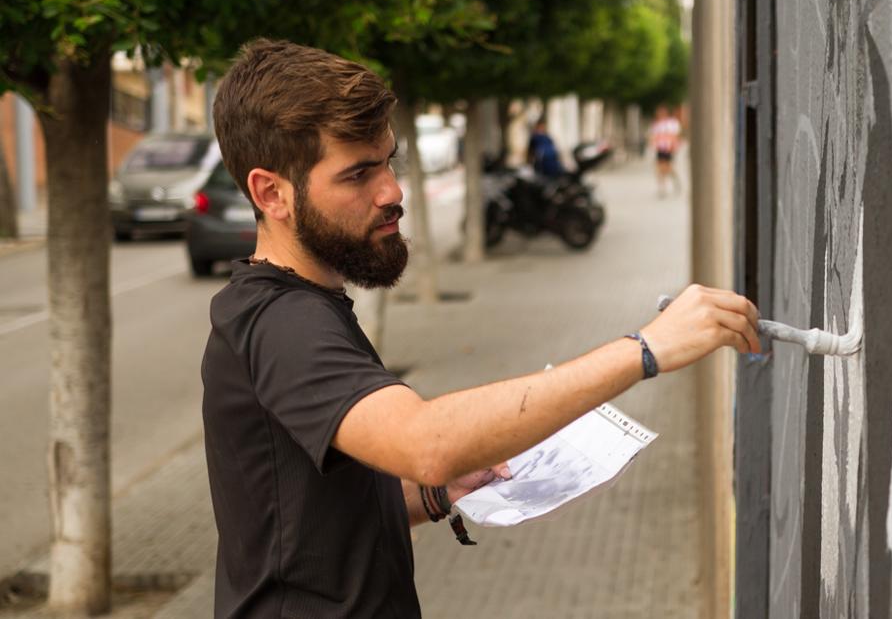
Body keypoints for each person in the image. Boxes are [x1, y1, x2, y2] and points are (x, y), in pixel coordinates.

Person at [201, 39, 760, 618]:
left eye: (389, 162)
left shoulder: (304, 307)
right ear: (272, 194)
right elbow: (425, 443)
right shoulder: (281, 323)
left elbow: (315, 514)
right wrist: (645, 349)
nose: (392, 192)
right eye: (358, 174)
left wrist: (436, 494)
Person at [648, 105, 682, 197]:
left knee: (667, 167)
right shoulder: (656, 124)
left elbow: (675, 136)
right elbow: (653, 136)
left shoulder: (672, 123)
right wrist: (653, 145)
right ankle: (662, 188)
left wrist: (674, 147)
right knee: (659, 168)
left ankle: (675, 179)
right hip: (660, 149)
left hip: (668, 149)